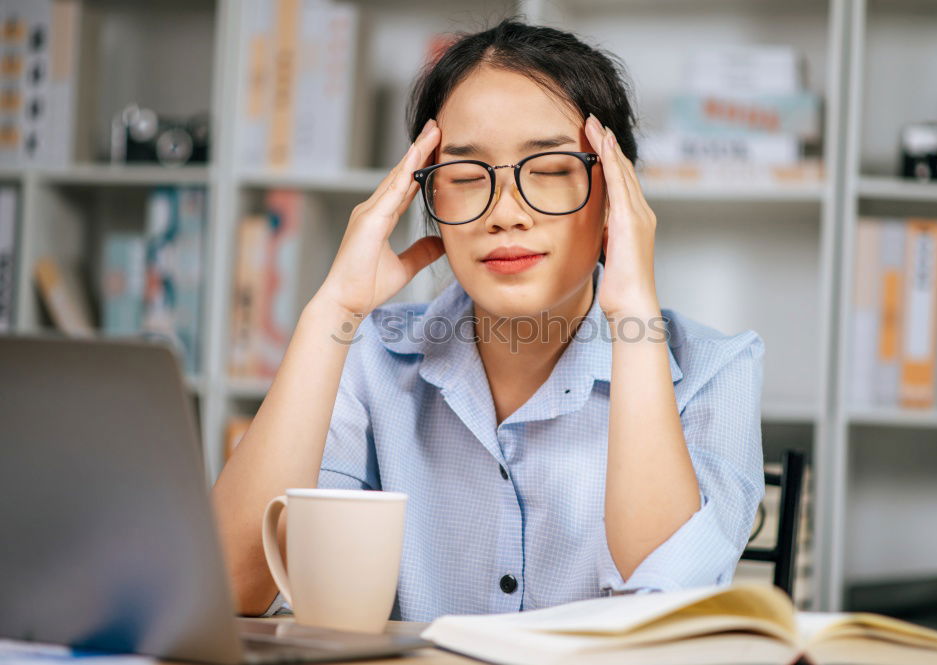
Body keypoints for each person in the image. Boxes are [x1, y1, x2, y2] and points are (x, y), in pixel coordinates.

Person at [212, 18, 765, 622]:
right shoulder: (369, 356)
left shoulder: (716, 369)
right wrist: (332, 311)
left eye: (551, 169)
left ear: (617, 193)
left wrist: (633, 311)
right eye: (466, 177)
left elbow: (665, 611)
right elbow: (233, 593)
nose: (505, 213)